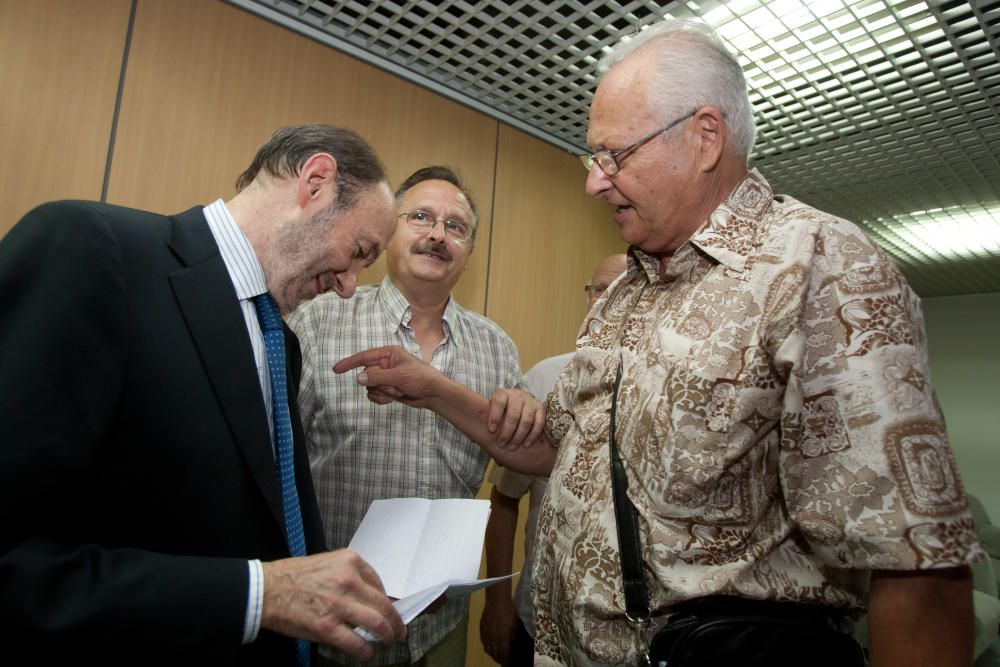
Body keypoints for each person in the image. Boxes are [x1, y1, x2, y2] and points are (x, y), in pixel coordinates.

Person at [335, 18, 984, 667]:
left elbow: (917, 565)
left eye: (615, 155)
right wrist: (433, 388)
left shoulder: (821, 267)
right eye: (594, 157)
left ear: (704, 138)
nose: (594, 180)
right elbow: (553, 449)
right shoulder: (627, 292)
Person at [0, 124, 407, 665]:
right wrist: (257, 596)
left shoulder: (279, 340)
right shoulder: (91, 248)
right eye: (359, 251)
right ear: (316, 181)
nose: (350, 283)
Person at [287, 166, 527, 667]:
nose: (438, 235)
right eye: (421, 217)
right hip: (334, 623)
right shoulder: (319, 320)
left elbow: (514, 464)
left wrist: (526, 415)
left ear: (469, 251)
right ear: (391, 229)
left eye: (456, 226)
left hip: (441, 626)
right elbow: (276, 462)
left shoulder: (497, 348)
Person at [480, 253, 626, 666]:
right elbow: (505, 498)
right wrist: (497, 600)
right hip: (539, 619)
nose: (607, 302)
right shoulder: (546, 380)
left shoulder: (669, 388)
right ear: (587, 297)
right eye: (600, 290)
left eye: (622, 291)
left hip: (628, 636)